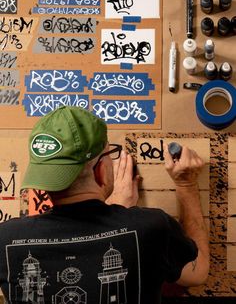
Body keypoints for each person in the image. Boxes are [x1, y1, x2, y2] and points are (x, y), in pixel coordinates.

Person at [0, 106, 209, 304]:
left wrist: (116, 214)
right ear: (100, 170)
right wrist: (186, 184)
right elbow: (198, 272)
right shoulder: (151, 228)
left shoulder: (5, 239)